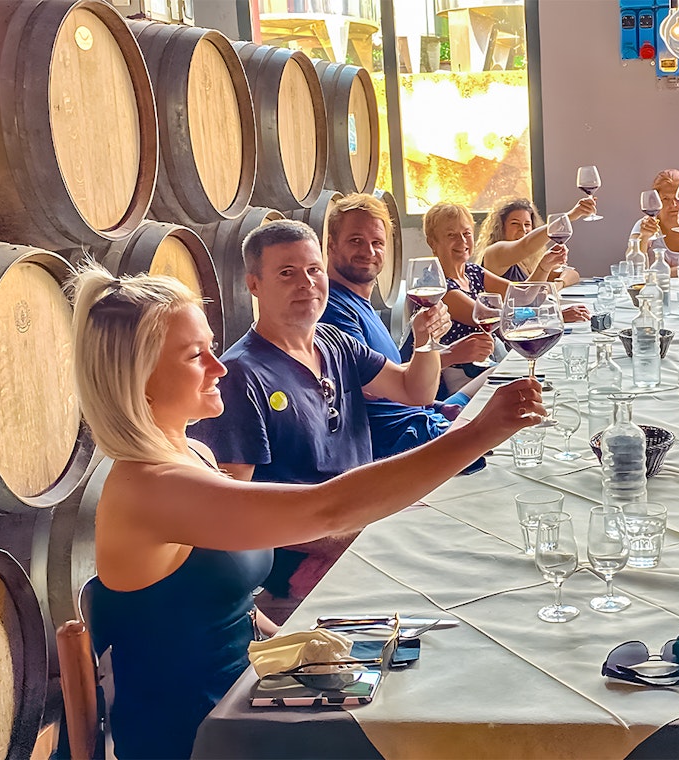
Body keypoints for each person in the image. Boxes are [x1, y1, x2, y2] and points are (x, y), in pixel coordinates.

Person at [71, 263, 541, 759]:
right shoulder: (148, 489)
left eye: (212, 346)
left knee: (432, 672)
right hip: (200, 735)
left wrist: (298, 645)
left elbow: (213, 602)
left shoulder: (193, 454)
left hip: (251, 695)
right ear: (138, 379)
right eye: (195, 356)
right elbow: (327, 509)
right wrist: (477, 433)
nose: (220, 367)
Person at [189, 219, 449, 611]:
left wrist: (427, 342)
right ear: (254, 285)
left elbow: (416, 391)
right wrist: (351, 536)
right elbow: (233, 512)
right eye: (287, 273)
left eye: (313, 270)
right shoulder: (240, 376)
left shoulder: (333, 342)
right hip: (303, 563)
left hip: (361, 525)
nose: (306, 283)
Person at [320, 193, 493, 459]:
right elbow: (373, 389)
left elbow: (396, 374)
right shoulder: (335, 309)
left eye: (377, 242)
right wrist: (443, 351)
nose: (369, 251)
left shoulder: (360, 304)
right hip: (405, 442)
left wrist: (428, 340)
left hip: (424, 416)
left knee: (508, 380)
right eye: (356, 241)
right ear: (331, 245)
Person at [418, 202, 590, 392]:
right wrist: (548, 318)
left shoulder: (472, 271)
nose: (462, 241)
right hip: (457, 377)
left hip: (489, 365)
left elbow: (523, 296)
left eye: (466, 233)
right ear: (432, 242)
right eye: (451, 235)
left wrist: (544, 266)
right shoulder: (435, 286)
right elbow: (493, 317)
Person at [475, 195, 595, 286]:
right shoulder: (494, 252)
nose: (523, 230)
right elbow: (525, 246)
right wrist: (570, 217)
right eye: (514, 224)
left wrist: (558, 284)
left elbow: (572, 274)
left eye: (527, 224)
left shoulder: (529, 260)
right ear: (501, 227)